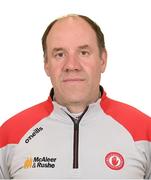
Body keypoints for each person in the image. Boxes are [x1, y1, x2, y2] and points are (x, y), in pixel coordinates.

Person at [0, 14, 151, 179]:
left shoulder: (144, 131)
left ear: (102, 60)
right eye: (59, 54)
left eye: (84, 52)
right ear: (46, 64)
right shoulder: (9, 135)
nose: (71, 65)